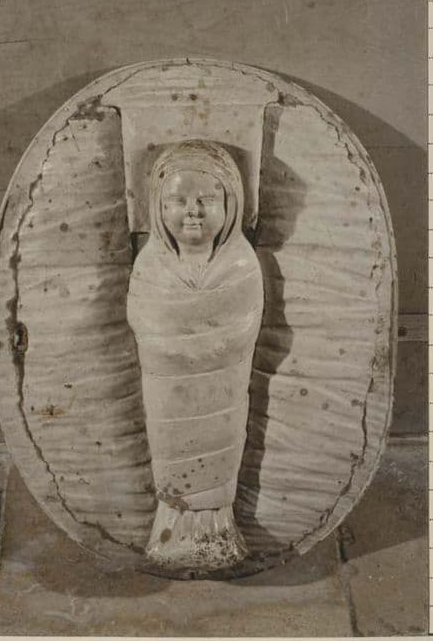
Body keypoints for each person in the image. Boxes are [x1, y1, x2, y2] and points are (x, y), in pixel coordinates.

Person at [127, 140, 264, 574]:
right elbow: (145, 325)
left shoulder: (241, 264)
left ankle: (219, 533)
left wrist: (200, 343)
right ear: (158, 207)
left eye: (206, 199)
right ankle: (171, 533)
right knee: (172, 456)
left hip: (222, 389)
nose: (193, 211)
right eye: (178, 201)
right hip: (168, 392)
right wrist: (183, 344)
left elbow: (242, 330)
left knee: (220, 456)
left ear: (231, 205)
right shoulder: (151, 265)